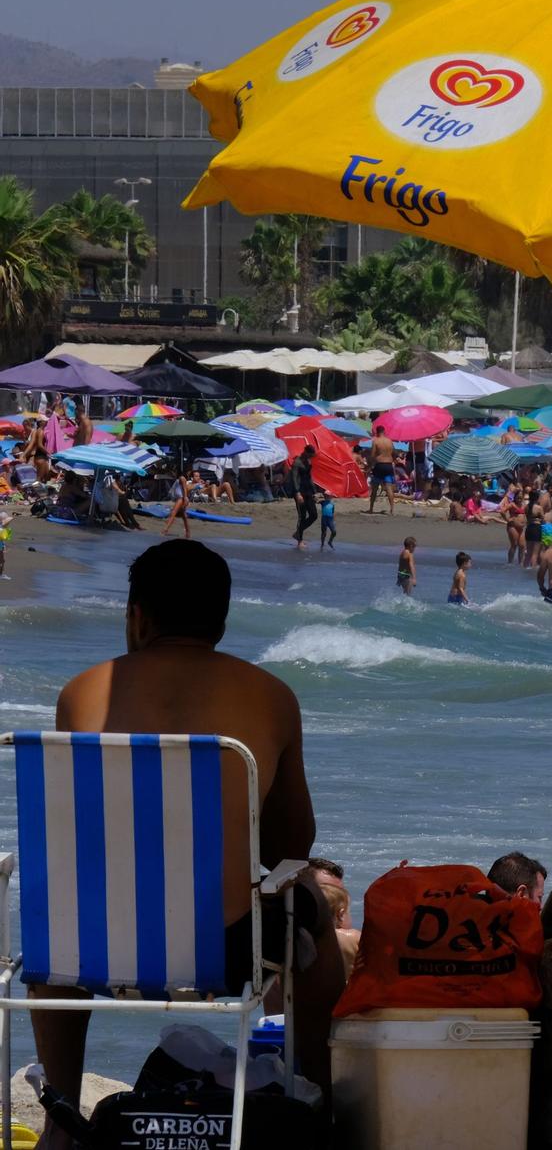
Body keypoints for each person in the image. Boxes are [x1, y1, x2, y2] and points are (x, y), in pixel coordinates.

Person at [42, 541, 345, 1129]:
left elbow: (75, 832)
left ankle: (60, 1118)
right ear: (222, 619)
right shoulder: (270, 696)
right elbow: (289, 849)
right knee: (308, 908)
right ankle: (317, 1105)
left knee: (59, 926)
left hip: (92, 947)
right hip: (223, 947)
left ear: (137, 617)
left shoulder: (81, 693)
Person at [288, 445, 318, 551]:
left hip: (308, 491)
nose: (311, 457)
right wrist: (297, 493)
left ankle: (298, 532)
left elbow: (309, 477)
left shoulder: (308, 462)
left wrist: (314, 491)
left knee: (314, 515)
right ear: (306, 452)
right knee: (302, 516)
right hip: (300, 492)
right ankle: (299, 540)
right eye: (311, 455)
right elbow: (294, 478)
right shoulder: (297, 462)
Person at [365, 424, 398, 515]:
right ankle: (392, 509)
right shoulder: (390, 441)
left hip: (379, 465)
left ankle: (371, 508)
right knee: (389, 488)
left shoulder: (375, 441)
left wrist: (370, 465)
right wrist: (392, 459)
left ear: (376, 432)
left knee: (375, 488)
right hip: (388, 465)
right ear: (384, 431)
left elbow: (372, 455)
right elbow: (395, 453)